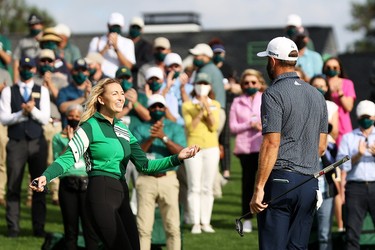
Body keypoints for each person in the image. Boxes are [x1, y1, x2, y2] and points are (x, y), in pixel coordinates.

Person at [30, 78, 199, 250]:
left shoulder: (123, 129)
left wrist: (177, 157)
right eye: (115, 93)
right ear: (101, 99)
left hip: (122, 195)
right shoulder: (89, 126)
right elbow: (68, 157)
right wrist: (46, 176)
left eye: (122, 93)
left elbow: (145, 165)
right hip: (100, 194)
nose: (121, 98)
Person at [249, 37, 328, 249]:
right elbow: (321, 146)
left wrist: (259, 187)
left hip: (281, 180)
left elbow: (271, 143)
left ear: (273, 61)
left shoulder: (273, 93)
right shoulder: (317, 95)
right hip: (309, 183)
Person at [0, 56, 51, 237]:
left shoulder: (42, 91)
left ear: (34, 69)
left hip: (37, 141)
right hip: (16, 142)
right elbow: (4, 118)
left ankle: (39, 228)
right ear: (19, 68)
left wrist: (32, 111)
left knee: (39, 185)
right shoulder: (8, 91)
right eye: (24, 66)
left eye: (30, 67)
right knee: (14, 185)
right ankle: (13, 227)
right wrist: (22, 113)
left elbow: (45, 118)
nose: (27, 69)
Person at [133, 94, 186, 250]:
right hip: (146, 179)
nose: (157, 109)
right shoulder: (139, 128)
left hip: (168, 179)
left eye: (160, 107)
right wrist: (150, 138)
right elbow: (136, 156)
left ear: (165, 109)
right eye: (154, 107)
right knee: (143, 228)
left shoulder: (174, 128)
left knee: (173, 227)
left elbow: (182, 153)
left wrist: (163, 137)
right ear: (149, 109)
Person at [52, 104, 99, 249]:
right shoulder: (58, 138)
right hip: (68, 183)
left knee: (89, 227)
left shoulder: (88, 136)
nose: (73, 119)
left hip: (86, 182)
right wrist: (71, 142)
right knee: (70, 227)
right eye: (71, 116)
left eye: (77, 116)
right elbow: (59, 160)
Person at [182, 72, 221, 234]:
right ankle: (195, 222)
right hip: (193, 148)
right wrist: (200, 110)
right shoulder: (187, 105)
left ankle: (205, 221)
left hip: (211, 148)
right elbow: (191, 127)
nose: (202, 86)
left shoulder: (215, 104)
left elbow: (214, 126)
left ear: (210, 86)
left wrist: (207, 108)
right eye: (200, 83)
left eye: (205, 83)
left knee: (207, 187)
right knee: (194, 186)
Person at [229, 69, 265, 233]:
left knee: (265, 184)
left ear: (259, 83)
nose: (250, 85)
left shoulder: (265, 98)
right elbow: (233, 127)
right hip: (245, 149)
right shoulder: (237, 102)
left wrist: (262, 126)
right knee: (248, 184)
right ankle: (248, 217)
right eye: (246, 83)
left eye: (253, 82)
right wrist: (249, 125)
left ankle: (266, 217)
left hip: (263, 146)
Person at [337, 100, 375, 250]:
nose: (366, 120)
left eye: (369, 116)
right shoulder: (349, 138)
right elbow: (341, 164)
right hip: (355, 188)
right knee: (352, 231)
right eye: (363, 116)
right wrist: (357, 155)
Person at [310, 75, 339, 250]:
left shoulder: (331, 149)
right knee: (306, 232)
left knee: (324, 233)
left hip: (325, 190)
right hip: (307, 189)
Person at [88, 12, 136, 78]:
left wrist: (116, 48)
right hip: (100, 78)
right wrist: (105, 48)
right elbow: (90, 62)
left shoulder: (128, 42)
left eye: (117, 26)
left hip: (119, 78)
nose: (115, 28)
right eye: (113, 26)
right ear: (108, 25)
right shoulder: (96, 41)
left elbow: (129, 66)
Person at [323, 57, 356, 146]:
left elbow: (349, 107)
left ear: (339, 69)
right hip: (325, 125)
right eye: (328, 67)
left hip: (343, 125)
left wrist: (340, 94)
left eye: (335, 67)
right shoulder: (321, 83)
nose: (331, 70)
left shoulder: (347, 83)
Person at [56, 58, 91, 128]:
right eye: (77, 70)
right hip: (69, 130)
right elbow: (62, 107)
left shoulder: (94, 91)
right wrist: (83, 98)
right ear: (72, 72)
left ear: (88, 73)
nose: (80, 73)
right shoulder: (64, 91)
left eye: (83, 70)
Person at [13, 13, 44, 82]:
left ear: (42, 24)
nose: (34, 26)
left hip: (43, 76)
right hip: (27, 75)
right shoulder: (23, 41)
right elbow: (16, 60)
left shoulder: (48, 38)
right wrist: (15, 80)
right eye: (31, 25)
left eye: (36, 24)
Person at [127, 16, 153, 86]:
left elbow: (147, 63)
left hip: (139, 79)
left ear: (141, 30)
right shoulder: (123, 42)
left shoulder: (146, 46)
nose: (135, 29)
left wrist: (132, 65)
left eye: (137, 28)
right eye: (133, 27)